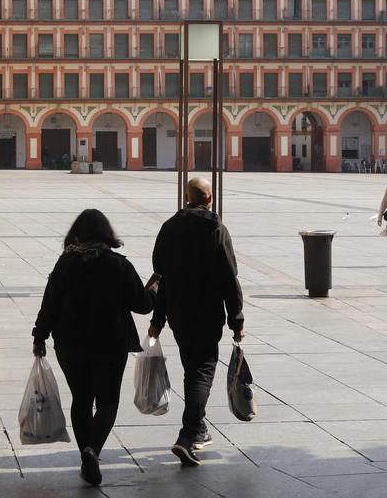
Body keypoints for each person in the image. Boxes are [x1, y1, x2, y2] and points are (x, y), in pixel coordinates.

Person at [31, 209, 157, 485]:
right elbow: (142, 305)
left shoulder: (65, 264)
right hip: (110, 343)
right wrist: (154, 290)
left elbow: (49, 304)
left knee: (81, 399)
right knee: (108, 401)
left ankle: (86, 454)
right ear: (106, 234)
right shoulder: (118, 265)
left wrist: (39, 337)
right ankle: (92, 450)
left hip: (70, 343)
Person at [148, 177, 245, 467]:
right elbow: (230, 278)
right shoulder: (217, 230)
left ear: (186, 197)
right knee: (202, 370)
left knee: (193, 367)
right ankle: (188, 434)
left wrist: (158, 318)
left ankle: (198, 427)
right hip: (207, 312)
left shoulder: (169, 228)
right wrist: (236, 319)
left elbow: (160, 274)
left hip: (179, 311)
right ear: (210, 198)